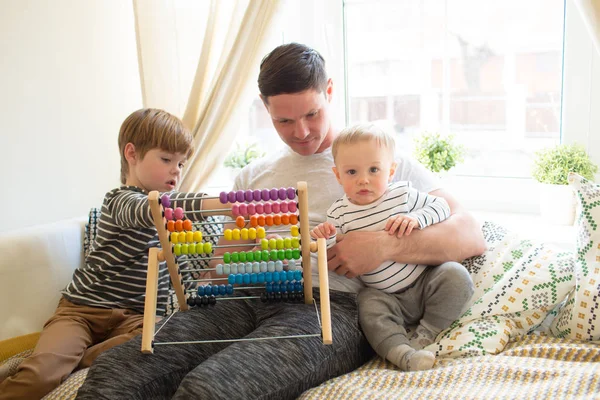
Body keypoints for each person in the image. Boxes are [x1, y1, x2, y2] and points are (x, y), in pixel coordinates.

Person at [76, 43, 485, 400]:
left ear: (329, 91)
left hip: (329, 308)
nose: (302, 132)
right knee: (113, 375)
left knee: (211, 389)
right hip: (244, 295)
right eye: (284, 121)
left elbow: (471, 234)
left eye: (311, 113)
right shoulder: (253, 176)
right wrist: (198, 291)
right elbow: (230, 254)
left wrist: (386, 246)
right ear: (264, 106)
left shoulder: (373, 160)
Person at [0, 108, 228, 400]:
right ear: (131, 153)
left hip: (136, 319)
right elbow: (148, 210)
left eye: (182, 164)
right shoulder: (121, 201)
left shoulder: (174, 224)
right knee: (41, 375)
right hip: (83, 310)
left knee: (161, 339)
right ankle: (54, 365)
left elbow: (180, 274)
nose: (177, 171)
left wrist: (212, 269)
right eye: (167, 159)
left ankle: (74, 364)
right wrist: (222, 203)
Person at [310, 123, 474, 371]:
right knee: (367, 306)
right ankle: (403, 354)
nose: (364, 180)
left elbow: (442, 207)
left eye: (374, 170)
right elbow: (334, 252)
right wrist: (324, 236)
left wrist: (417, 218)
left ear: (391, 171)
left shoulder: (402, 195)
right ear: (338, 175)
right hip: (384, 296)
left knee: (455, 275)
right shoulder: (339, 212)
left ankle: (426, 333)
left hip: (424, 282)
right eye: (352, 172)